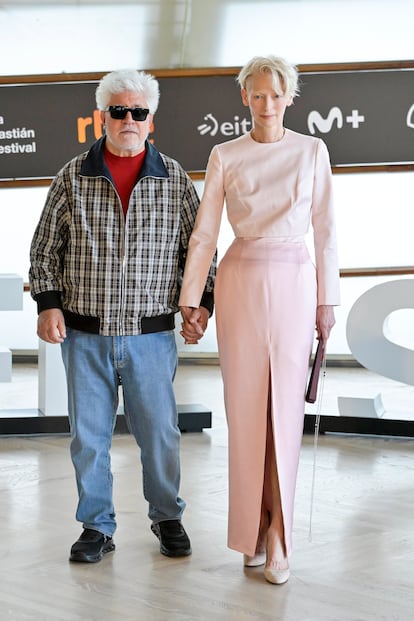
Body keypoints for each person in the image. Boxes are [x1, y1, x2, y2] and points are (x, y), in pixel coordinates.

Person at [29, 69, 215, 563]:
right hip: (83, 334)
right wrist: (49, 303)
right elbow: (45, 249)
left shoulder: (174, 177)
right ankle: (96, 527)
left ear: (150, 118)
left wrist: (202, 304)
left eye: (138, 111)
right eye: (118, 110)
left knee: (159, 435)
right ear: (102, 116)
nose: (128, 119)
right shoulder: (72, 175)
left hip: (150, 337)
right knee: (89, 439)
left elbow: (197, 252)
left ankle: (168, 516)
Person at [179, 55, 340, 585]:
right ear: (244, 97)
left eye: (277, 94)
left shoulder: (313, 150)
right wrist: (192, 301)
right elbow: (205, 236)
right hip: (241, 279)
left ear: (289, 97)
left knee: (285, 413)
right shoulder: (225, 155)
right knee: (247, 412)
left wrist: (327, 302)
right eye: (258, 94)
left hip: (295, 283)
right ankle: (252, 529)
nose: (267, 104)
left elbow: (325, 233)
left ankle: (279, 537)